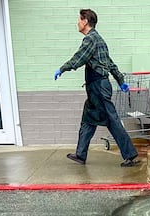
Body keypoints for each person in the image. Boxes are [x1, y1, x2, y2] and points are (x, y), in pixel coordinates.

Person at [54, 9, 139, 167]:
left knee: (112, 121)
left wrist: (63, 68)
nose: (77, 23)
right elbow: (110, 63)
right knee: (87, 120)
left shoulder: (91, 39)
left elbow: (79, 58)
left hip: (98, 88)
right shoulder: (99, 40)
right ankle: (80, 154)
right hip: (96, 88)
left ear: (85, 21)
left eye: (79, 20)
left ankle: (131, 155)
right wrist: (120, 80)